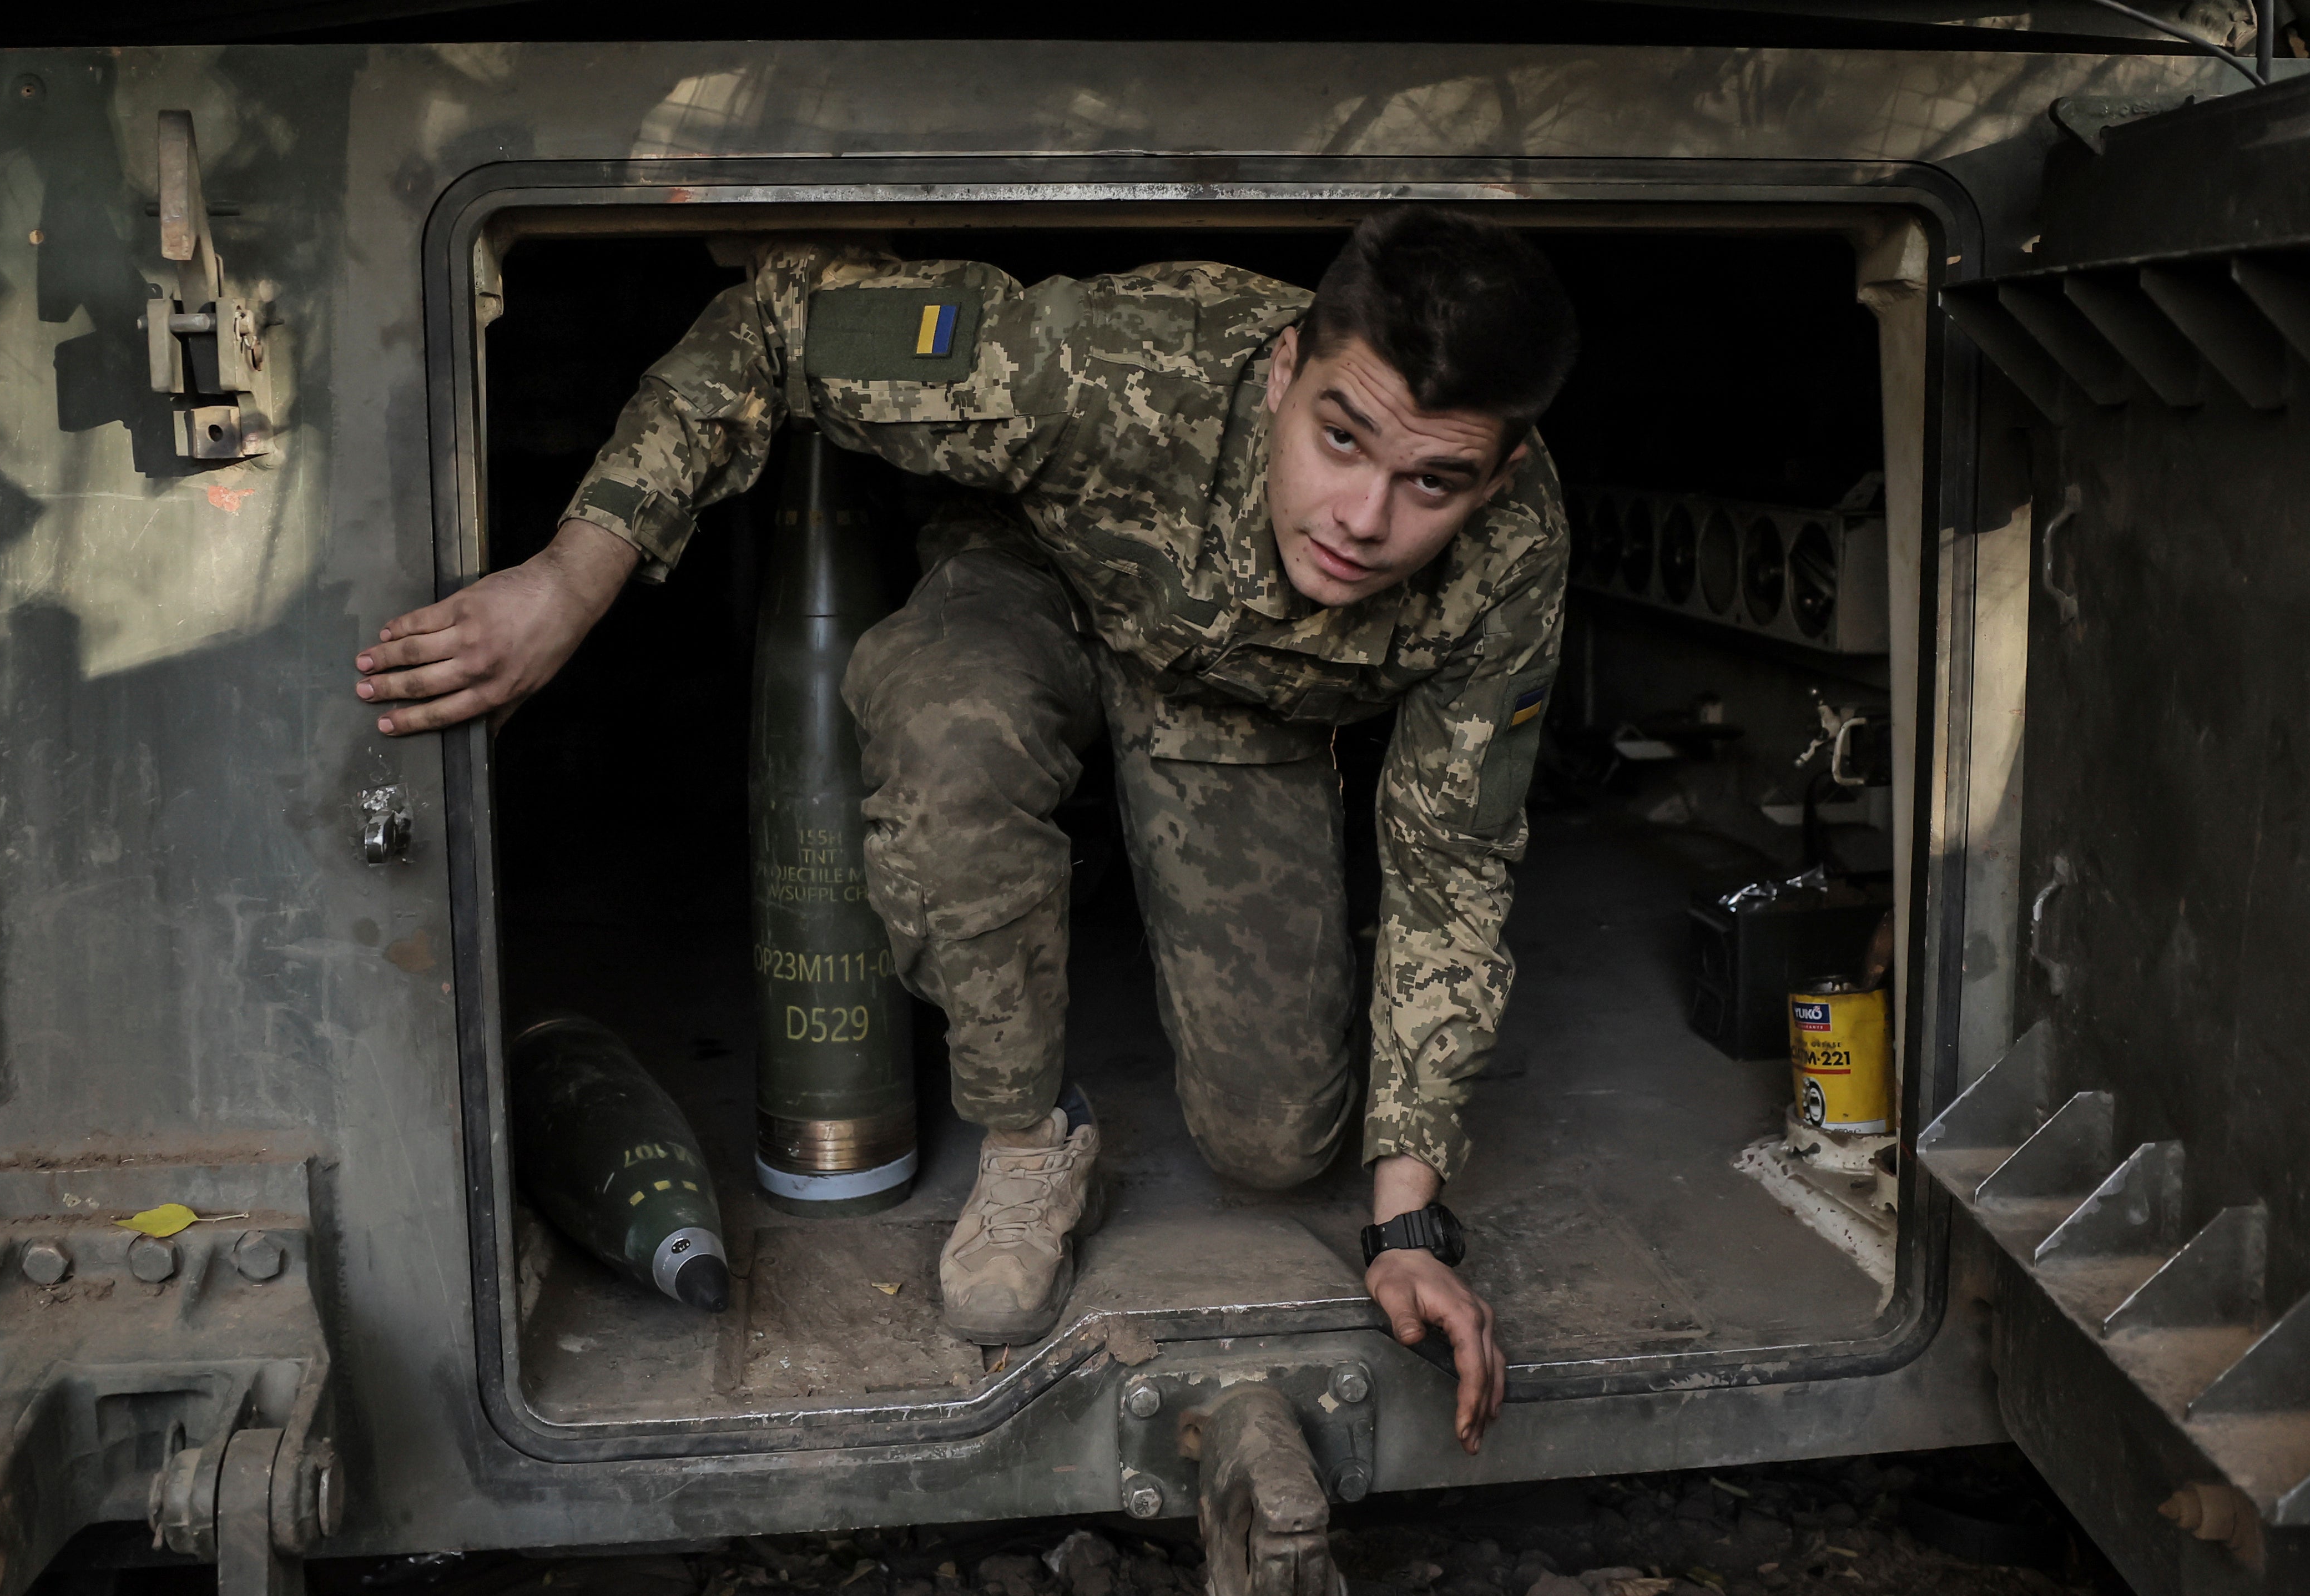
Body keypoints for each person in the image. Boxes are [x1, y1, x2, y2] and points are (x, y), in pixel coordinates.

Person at [355, 208, 1575, 1452]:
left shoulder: (1511, 560)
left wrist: (1409, 1220)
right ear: (1281, 371)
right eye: (1339, 439)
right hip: (1036, 578)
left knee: (1275, 1147)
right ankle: (1027, 1128)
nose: (1364, 517)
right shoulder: (1096, 366)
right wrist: (572, 578)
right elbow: (777, 321)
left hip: (1228, 701)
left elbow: (1453, 861)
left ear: (1502, 472)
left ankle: (1083, 881)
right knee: (951, 727)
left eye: (1430, 481)